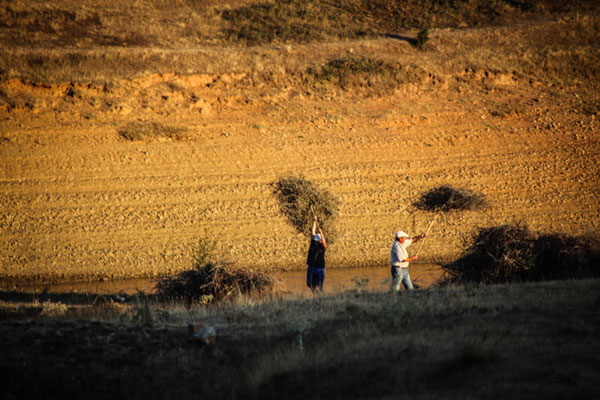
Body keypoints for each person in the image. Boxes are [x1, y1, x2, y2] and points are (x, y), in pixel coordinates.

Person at [306, 214, 327, 292]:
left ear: (320, 241)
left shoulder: (322, 246)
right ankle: (316, 297)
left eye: (317, 241)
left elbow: (324, 243)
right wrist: (314, 221)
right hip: (312, 267)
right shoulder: (314, 243)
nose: (315, 242)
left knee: (319, 286)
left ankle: (320, 298)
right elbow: (312, 232)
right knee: (311, 285)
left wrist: (321, 233)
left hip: (319, 269)